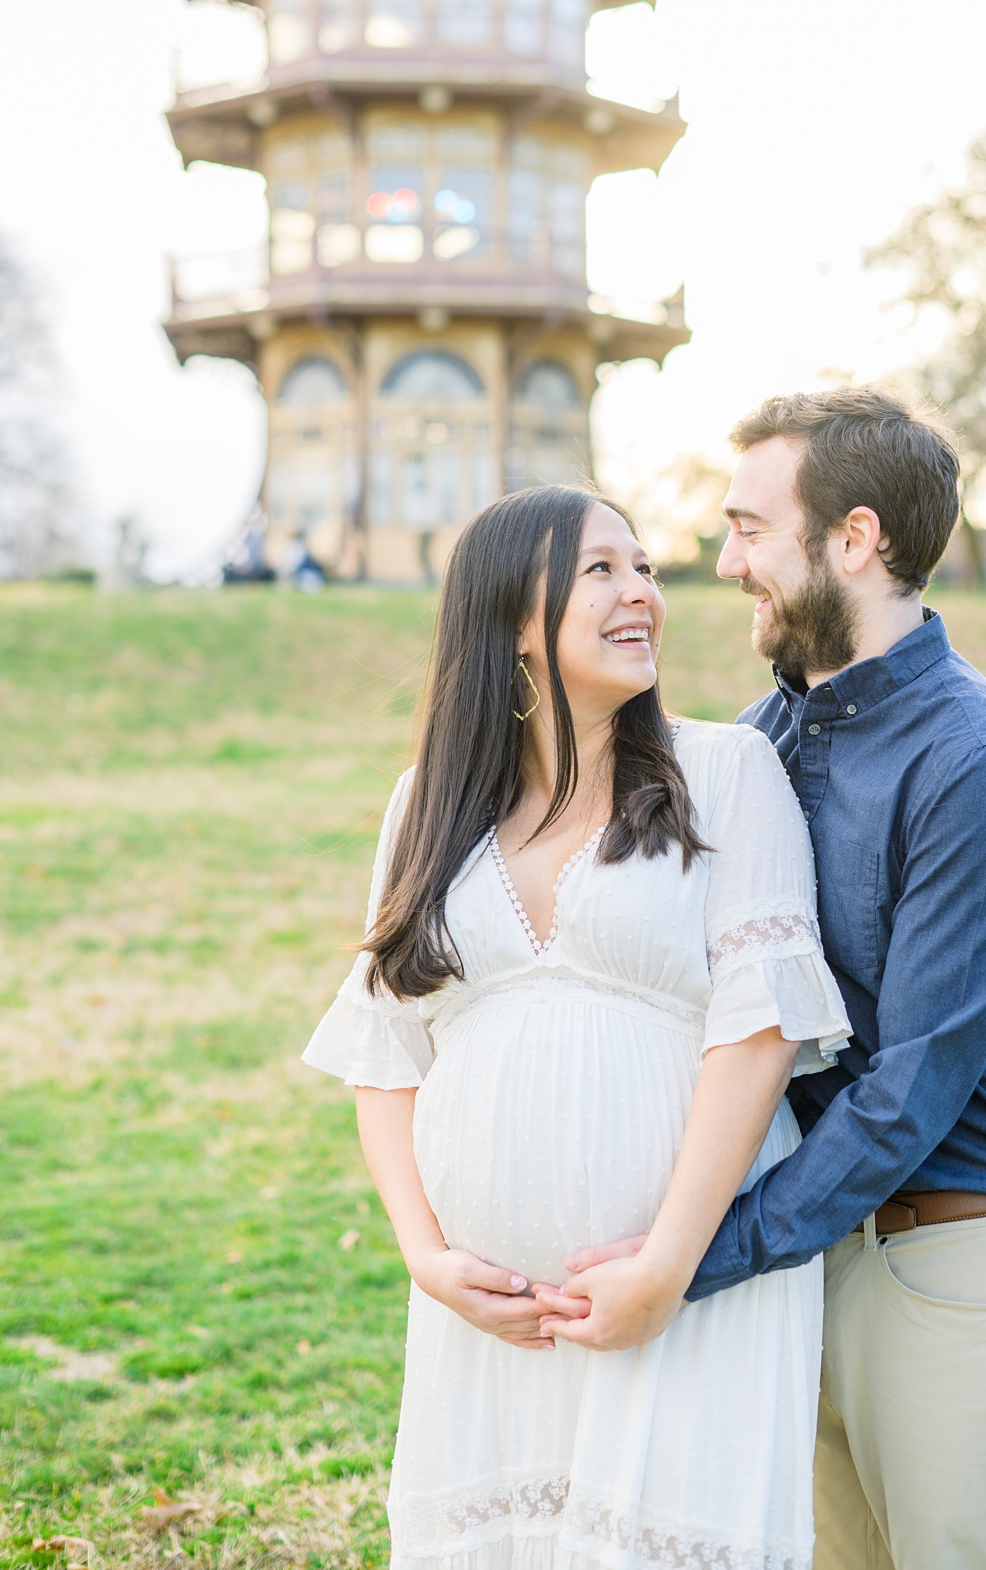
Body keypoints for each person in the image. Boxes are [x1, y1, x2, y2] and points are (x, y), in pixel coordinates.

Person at [556, 387, 986, 1570]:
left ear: (855, 540)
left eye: (751, 530)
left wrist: (688, 1259)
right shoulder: (763, 740)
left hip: (972, 1266)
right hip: (822, 1254)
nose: (725, 563)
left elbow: (911, 1087)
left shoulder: (982, 765)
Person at [301, 485, 851, 1569]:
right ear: (512, 617)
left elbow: (758, 1034)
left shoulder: (726, 773)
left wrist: (668, 1265)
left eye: (644, 568)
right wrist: (426, 1255)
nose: (642, 590)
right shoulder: (426, 807)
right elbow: (384, 1054)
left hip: (688, 1290)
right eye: (601, 569)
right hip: (492, 1321)